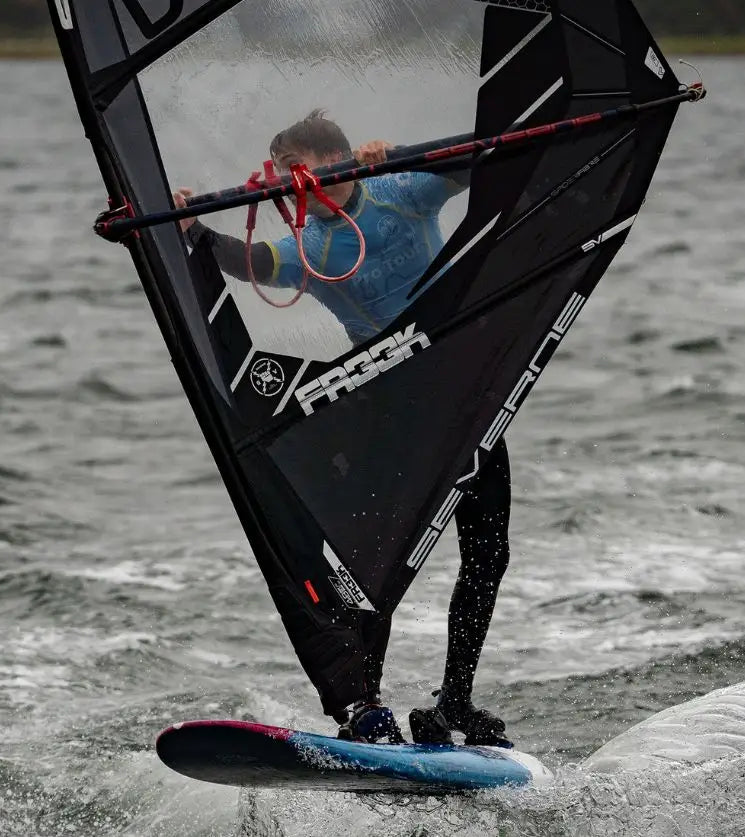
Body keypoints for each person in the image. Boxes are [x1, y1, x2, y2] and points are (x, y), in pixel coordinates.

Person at [174, 110, 513, 748]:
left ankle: (455, 705)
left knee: (488, 553)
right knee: (378, 554)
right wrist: (191, 227)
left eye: (296, 176)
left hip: (466, 391)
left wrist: (403, 151)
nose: (285, 193)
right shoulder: (306, 250)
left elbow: (484, 166)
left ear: (336, 164)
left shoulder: (401, 189)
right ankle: (367, 709)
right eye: (278, 180)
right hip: (389, 408)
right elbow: (247, 263)